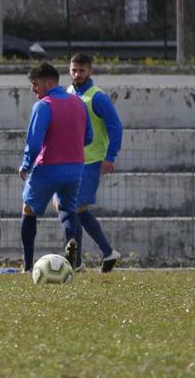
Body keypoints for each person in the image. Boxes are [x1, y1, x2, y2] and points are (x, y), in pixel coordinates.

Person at [19, 62, 92, 272]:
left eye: (35, 84)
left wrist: (26, 165)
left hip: (48, 167)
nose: (33, 89)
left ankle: (27, 265)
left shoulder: (44, 106)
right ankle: (75, 260)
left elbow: (33, 142)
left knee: (29, 210)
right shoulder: (78, 103)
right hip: (76, 168)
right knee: (68, 210)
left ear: (48, 82)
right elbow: (88, 137)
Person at [66, 53, 123, 272]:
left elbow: (116, 127)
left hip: (90, 162)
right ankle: (107, 252)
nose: (76, 74)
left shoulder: (97, 97)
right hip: (70, 162)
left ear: (90, 71)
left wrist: (110, 157)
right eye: (73, 70)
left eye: (81, 70)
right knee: (76, 210)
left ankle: (77, 262)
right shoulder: (69, 93)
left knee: (75, 208)